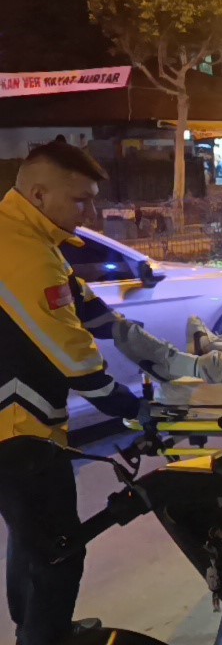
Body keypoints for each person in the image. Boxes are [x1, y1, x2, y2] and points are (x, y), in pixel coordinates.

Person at [0, 142, 141, 645]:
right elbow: (75, 358)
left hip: (20, 429)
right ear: (39, 194)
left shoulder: (27, 236)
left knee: (32, 541)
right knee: (57, 548)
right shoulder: (20, 253)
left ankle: (38, 631)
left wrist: (134, 338)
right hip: (18, 434)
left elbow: (79, 302)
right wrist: (135, 409)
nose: (91, 213)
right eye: (81, 200)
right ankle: (45, 638)